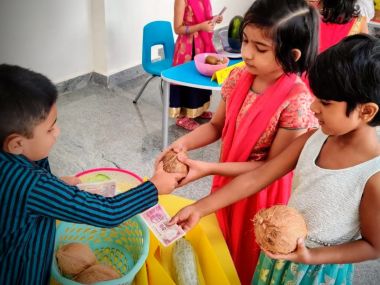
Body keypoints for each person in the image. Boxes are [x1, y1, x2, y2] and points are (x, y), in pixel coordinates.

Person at [169, 34, 380, 285]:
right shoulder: (315, 139)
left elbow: (373, 246)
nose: (313, 108)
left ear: (366, 111)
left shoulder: (373, 176)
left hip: (318, 273)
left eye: (325, 102)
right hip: (277, 259)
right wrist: (199, 208)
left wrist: (310, 256)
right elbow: (258, 177)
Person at [158, 0, 319, 283]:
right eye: (245, 40)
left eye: (260, 48)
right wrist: (182, 146)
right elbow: (217, 125)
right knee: (223, 241)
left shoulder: (297, 102)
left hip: (262, 195)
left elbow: (268, 169)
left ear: (291, 55)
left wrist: (208, 167)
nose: (246, 53)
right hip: (228, 178)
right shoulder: (237, 77)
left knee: (248, 255)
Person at [0, 64, 185, 284]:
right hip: (20, 273)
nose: (57, 133)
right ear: (16, 144)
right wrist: (154, 186)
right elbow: (107, 213)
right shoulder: (31, 185)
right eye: (50, 129)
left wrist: (55, 184)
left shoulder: (14, 164)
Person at [170, 0, 223, 131]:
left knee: (200, 79)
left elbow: (201, 20)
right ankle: (182, 117)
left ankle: (198, 111)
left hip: (202, 45)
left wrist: (213, 19)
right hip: (187, 47)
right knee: (188, 79)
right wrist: (201, 27)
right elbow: (177, 28)